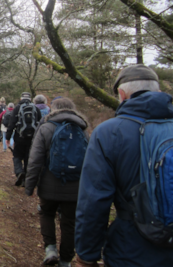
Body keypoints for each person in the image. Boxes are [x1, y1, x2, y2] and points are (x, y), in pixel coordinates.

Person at [75, 64, 173, 267]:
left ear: (121, 94)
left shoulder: (109, 133)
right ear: (160, 91)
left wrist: (86, 255)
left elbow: (94, 201)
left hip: (132, 249)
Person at [25, 97, 89, 267]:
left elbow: (35, 160)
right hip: (75, 187)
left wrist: (29, 186)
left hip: (48, 185)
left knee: (46, 213)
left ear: (53, 109)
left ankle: (50, 249)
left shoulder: (46, 127)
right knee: (69, 223)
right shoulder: (83, 130)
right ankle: (66, 260)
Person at [5, 92, 41, 186]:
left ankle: (19, 172)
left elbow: (11, 124)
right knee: (27, 158)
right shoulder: (36, 109)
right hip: (32, 139)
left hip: (19, 138)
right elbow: (41, 124)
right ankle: (25, 179)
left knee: (17, 156)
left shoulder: (17, 108)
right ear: (30, 99)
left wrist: (7, 137)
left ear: (21, 98)